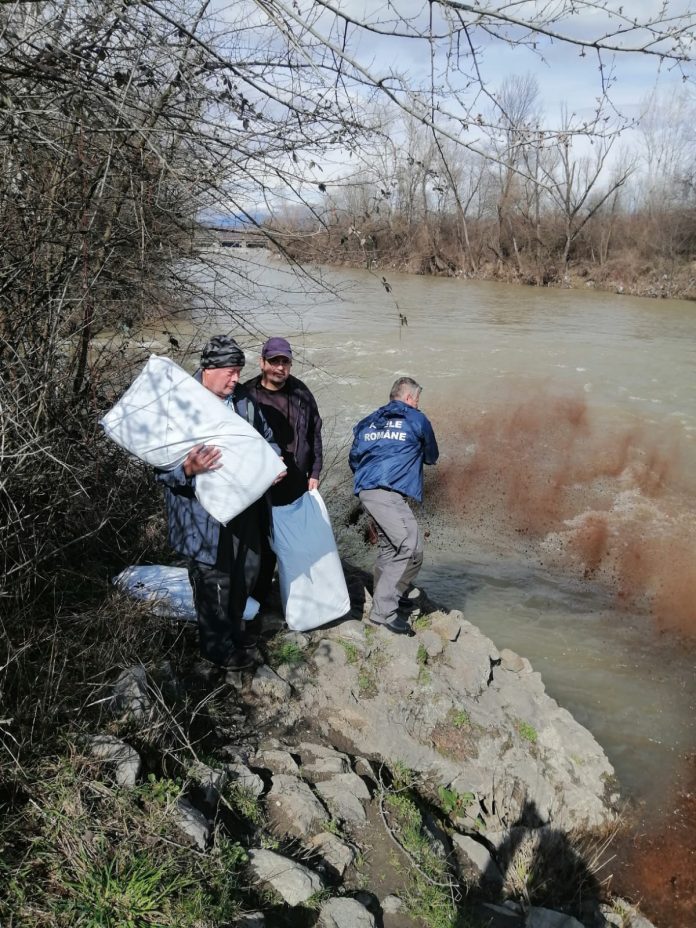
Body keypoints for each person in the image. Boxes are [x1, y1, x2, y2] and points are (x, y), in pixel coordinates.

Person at [156, 335, 284, 672]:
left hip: (243, 509)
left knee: (248, 571)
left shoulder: (243, 401)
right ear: (208, 369)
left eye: (239, 371)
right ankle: (217, 652)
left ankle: (235, 633)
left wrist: (273, 465)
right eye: (230, 372)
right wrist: (188, 469)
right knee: (215, 583)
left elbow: (267, 439)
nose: (236, 379)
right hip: (200, 517)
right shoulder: (179, 405)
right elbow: (159, 468)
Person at [349, 376, 439, 635]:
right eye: (417, 400)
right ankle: (383, 613)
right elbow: (432, 456)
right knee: (409, 547)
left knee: (395, 548)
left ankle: (387, 595)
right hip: (386, 493)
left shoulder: (368, 422)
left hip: (369, 490)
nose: (418, 404)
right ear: (410, 398)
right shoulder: (417, 419)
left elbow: (354, 458)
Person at [244, 336, 323, 603]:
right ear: (262, 362)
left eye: (285, 362)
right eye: (275, 361)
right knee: (261, 545)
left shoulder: (301, 393)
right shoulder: (247, 395)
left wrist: (315, 472)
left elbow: (315, 433)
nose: (280, 367)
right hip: (258, 483)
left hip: (295, 480)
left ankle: (299, 598)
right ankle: (257, 600)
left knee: (296, 542)